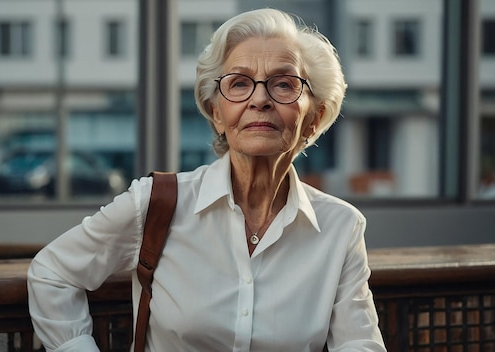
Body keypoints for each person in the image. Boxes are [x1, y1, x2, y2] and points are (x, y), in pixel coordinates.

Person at [27, 8, 387, 352]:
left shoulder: (341, 228)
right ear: (217, 113)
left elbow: (359, 341)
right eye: (239, 83)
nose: (259, 99)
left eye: (283, 84)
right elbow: (52, 274)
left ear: (314, 117)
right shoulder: (156, 202)